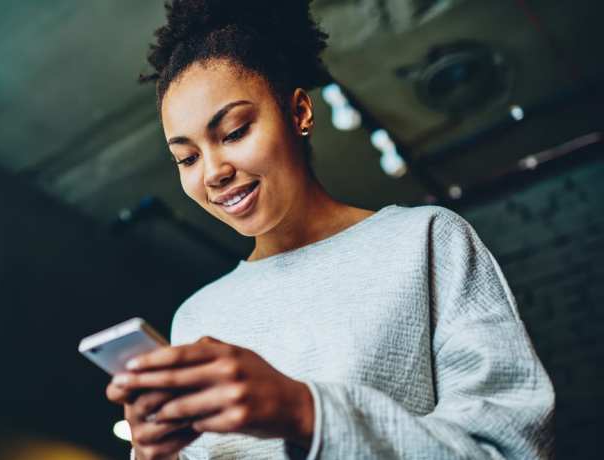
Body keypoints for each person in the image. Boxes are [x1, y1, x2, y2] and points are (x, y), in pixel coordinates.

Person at [106, 1, 555, 459]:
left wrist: (304, 411)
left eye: (235, 131)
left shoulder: (425, 241)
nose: (212, 172)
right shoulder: (196, 319)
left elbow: (511, 449)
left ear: (299, 112)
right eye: (187, 157)